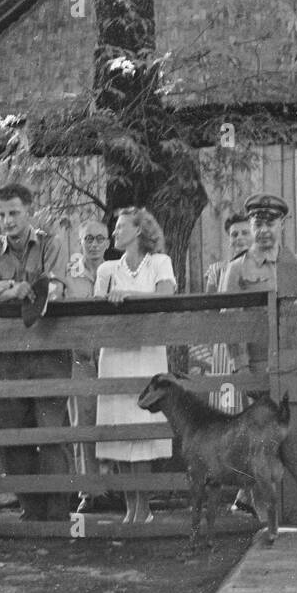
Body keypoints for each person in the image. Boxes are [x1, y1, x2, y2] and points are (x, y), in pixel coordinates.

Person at [0, 182, 73, 522]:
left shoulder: (49, 244)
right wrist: (14, 287)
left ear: (28, 210)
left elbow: (52, 290)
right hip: (9, 356)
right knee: (12, 434)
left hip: (49, 351)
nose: (8, 221)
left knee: (51, 433)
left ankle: (58, 514)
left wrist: (6, 291)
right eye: (1, 214)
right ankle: (31, 510)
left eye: (14, 213)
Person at [93, 208, 175, 524]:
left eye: (120, 227)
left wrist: (128, 295)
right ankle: (130, 510)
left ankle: (145, 510)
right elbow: (97, 309)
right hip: (114, 354)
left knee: (143, 430)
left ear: (139, 230)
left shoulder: (159, 262)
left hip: (147, 353)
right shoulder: (107, 269)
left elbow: (166, 294)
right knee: (119, 432)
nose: (114, 233)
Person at [219, 193, 297, 374]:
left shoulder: (295, 266)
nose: (264, 230)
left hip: (294, 364)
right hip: (257, 365)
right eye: (258, 224)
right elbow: (230, 320)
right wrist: (241, 366)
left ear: (281, 225)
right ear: (251, 226)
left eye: (270, 224)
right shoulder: (237, 268)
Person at [190, 212, 250, 413]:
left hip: (253, 340)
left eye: (244, 233)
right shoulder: (220, 269)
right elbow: (210, 311)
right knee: (227, 403)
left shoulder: (262, 268)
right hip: (226, 343)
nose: (239, 238)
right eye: (234, 235)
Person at [67, 218, 108, 512]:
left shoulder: (115, 272)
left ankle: (116, 489)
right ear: (79, 242)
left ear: (107, 242)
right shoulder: (69, 275)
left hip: (110, 356)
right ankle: (89, 491)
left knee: (113, 418)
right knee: (83, 421)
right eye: (88, 239)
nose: (94, 244)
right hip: (80, 356)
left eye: (99, 239)